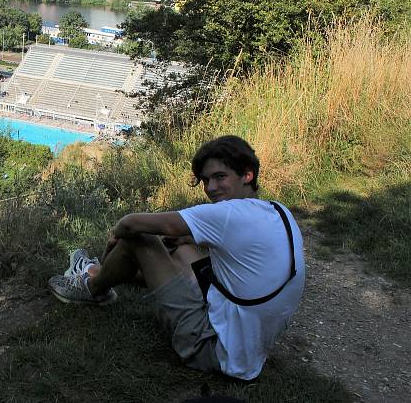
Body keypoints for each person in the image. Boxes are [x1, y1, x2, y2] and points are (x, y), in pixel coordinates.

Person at [47, 135, 305, 380]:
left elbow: (130, 223)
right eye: (206, 180)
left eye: (220, 177)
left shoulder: (228, 214)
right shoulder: (277, 210)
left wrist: (115, 236)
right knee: (178, 244)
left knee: (140, 239)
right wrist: (185, 238)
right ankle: (99, 272)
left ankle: (92, 286)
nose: (211, 188)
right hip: (247, 346)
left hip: (213, 351)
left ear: (247, 175)